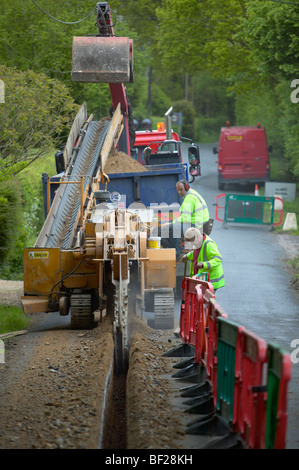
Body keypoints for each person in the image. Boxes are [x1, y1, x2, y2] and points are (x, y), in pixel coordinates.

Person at [160, 180, 210, 259]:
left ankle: (176, 252)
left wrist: (170, 224)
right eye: (178, 190)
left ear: (187, 187)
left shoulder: (189, 198)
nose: (179, 192)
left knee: (172, 227)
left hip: (196, 226)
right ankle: (173, 249)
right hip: (200, 224)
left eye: (181, 189)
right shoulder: (193, 194)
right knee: (173, 226)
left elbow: (186, 218)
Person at [182, 227, 225, 292]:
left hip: (210, 281)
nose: (191, 244)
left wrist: (204, 264)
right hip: (203, 280)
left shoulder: (209, 244)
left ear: (197, 237)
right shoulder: (198, 243)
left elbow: (218, 259)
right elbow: (196, 253)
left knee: (204, 300)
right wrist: (187, 256)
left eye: (191, 242)